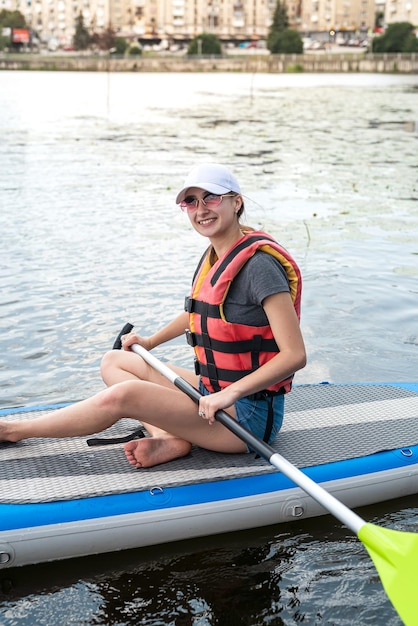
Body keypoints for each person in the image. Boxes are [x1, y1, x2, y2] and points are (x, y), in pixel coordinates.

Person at [0, 163, 306, 468]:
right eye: (191, 201)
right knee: (115, 361)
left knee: (124, 395)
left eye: (211, 198)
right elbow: (201, 313)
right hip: (212, 393)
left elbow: (295, 355)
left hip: (246, 421)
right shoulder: (218, 254)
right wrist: (150, 342)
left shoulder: (261, 267)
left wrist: (231, 394)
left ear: (236, 202)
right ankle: (171, 438)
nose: (201, 210)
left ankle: (13, 431)